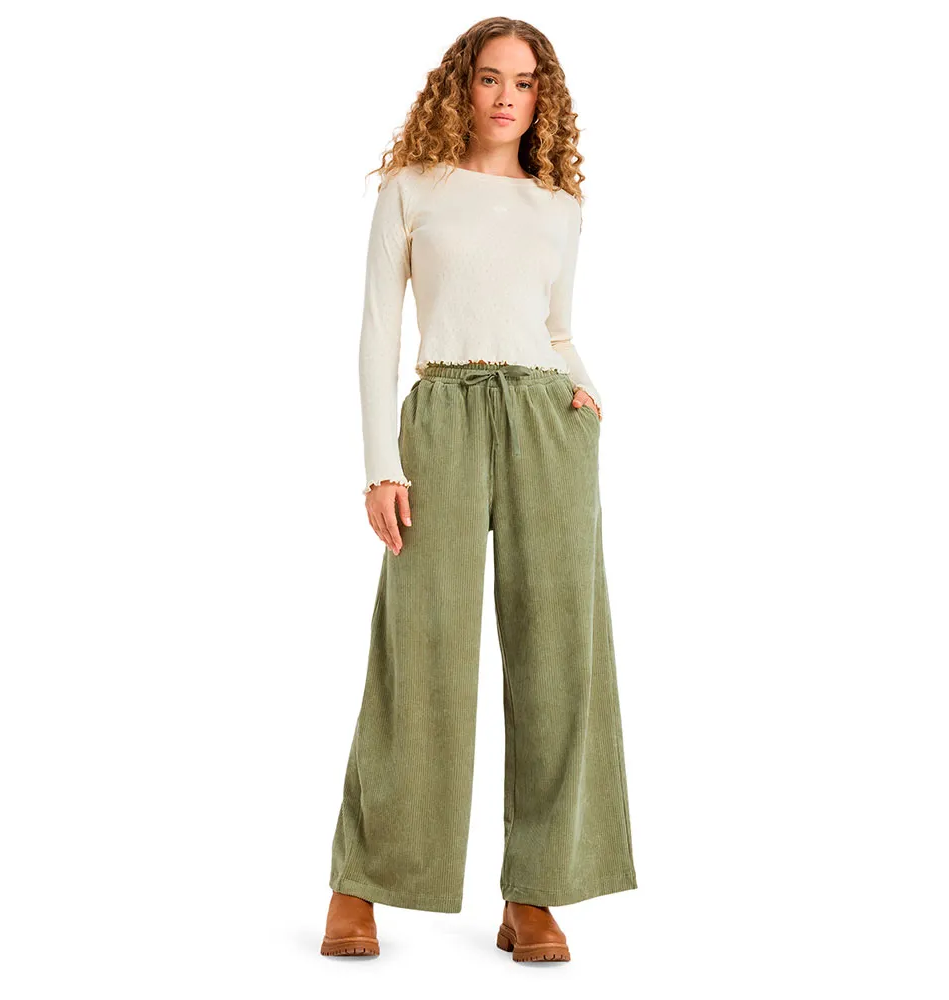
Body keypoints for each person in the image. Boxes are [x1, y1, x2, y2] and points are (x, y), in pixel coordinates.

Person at [321, 17, 637, 963]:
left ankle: (534, 893)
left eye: (526, 83)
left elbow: (555, 328)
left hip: (548, 419)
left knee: (559, 654)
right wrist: (381, 464)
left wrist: (587, 394)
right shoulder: (413, 188)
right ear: (460, 84)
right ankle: (362, 882)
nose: (507, 97)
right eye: (491, 77)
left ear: (544, 99)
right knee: (420, 649)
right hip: (443, 416)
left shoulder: (558, 205)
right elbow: (379, 331)